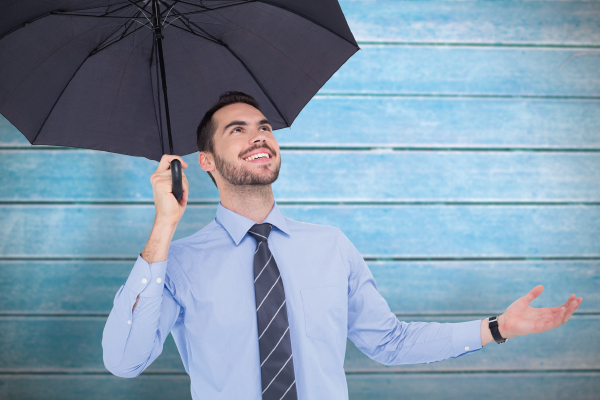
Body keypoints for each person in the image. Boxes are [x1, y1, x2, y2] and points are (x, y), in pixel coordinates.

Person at [102, 91, 583, 400]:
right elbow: (124, 362)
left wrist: (496, 328)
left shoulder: (330, 247)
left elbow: (389, 343)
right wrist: (163, 227)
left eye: (264, 127)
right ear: (204, 161)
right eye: (238, 130)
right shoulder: (177, 262)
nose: (259, 137)